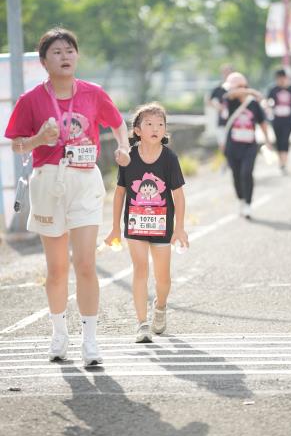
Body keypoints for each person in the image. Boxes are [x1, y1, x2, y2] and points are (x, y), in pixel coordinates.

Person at [4, 27, 130, 366]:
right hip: (48, 181)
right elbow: (15, 144)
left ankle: (91, 341)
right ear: (44, 62)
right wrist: (38, 139)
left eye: (70, 50)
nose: (65, 56)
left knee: (86, 262)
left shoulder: (92, 93)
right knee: (57, 267)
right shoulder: (31, 100)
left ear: (77, 56)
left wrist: (122, 146)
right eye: (57, 52)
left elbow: (118, 124)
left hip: (85, 181)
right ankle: (59, 332)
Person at [105, 102, 188, 343]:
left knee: (163, 278)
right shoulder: (128, 157)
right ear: (137, 130)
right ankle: (142, 324)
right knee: (140, 269)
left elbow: (178, 195)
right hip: (135, 224)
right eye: (149, 124)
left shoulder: (169, 158)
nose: (155, 128)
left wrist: (179, 228)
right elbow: (120, 193)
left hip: (163, 226)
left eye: (160, 124)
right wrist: (114, 228)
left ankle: (160, 307)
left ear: (165, 130)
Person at [223, 72, 271, 219]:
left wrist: (268, 140)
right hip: (232, 146)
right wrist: (250, 91)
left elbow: (262, 122)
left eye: (242, 87)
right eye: (236, 87)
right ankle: (241, 200)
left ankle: (249, 204)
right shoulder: (231, 101)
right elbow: (230, 94)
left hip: (249, 146)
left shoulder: (253, 103)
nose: (239, 90)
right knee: (236, 175)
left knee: (246, 173)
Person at [267, 68, 291, 174]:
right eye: (278, 78)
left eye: (282, 78)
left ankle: (284, 163)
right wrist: (268, 107)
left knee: (285, 140)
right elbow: (268, 101)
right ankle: (281, 162)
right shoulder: (273, 89)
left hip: (288, 119)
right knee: (278, 141)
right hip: (277, 119)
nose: (281, 80)